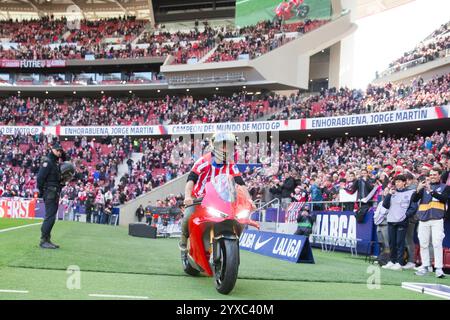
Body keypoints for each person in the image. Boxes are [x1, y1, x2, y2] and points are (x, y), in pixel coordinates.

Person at [179, 132, 255, 251]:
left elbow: (240, 182)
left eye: (229, 145)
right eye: (223, 145)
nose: (226, 148)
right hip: (199, 198)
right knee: (188, 215)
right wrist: (188, 196)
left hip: (219, 198)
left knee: (240, 218)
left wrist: (249, 199)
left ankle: (233, 238)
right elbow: (191, 179)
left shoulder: (230, 164)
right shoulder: (203, 161)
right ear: (215, 145)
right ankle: (184, 236)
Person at [412, 168, 449, 278]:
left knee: (437, 243)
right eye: (431, 174)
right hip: (423, 219)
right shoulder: (423, 188)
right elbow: (414, 200)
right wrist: (418, 189)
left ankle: (438, 268)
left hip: (437, 219)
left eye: (434, 174)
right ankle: (425, 266)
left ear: (439, 176)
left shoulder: (445, 187)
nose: (432, 176)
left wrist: (431, 190)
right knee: (423, 244)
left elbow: (444, 199)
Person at [37, 141, 71, 249]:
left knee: (51, 217)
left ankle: (47, 239)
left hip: (54, 191)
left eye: (60, 150)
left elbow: (65, 158)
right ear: (52, 150)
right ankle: (43, 240)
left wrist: (61, 153)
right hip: (50, 192)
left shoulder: (55, 162)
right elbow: (40, 178)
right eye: (58, 150)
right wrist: (42, 192)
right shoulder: (47, 162)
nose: (60, 152)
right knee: (50, 217)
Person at [380, 175, 418, 271]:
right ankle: (392, 261)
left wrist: (405, 216)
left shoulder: (411, 193)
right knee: (392, 243)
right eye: (396, 182)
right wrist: (389, 194)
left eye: (399, 181)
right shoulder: (393, 193)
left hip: (402, 221)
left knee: (400, 243)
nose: (397, 183)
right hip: (391, 220)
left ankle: (399, 262)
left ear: (404, 182)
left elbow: (413, 207)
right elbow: (385, 205)